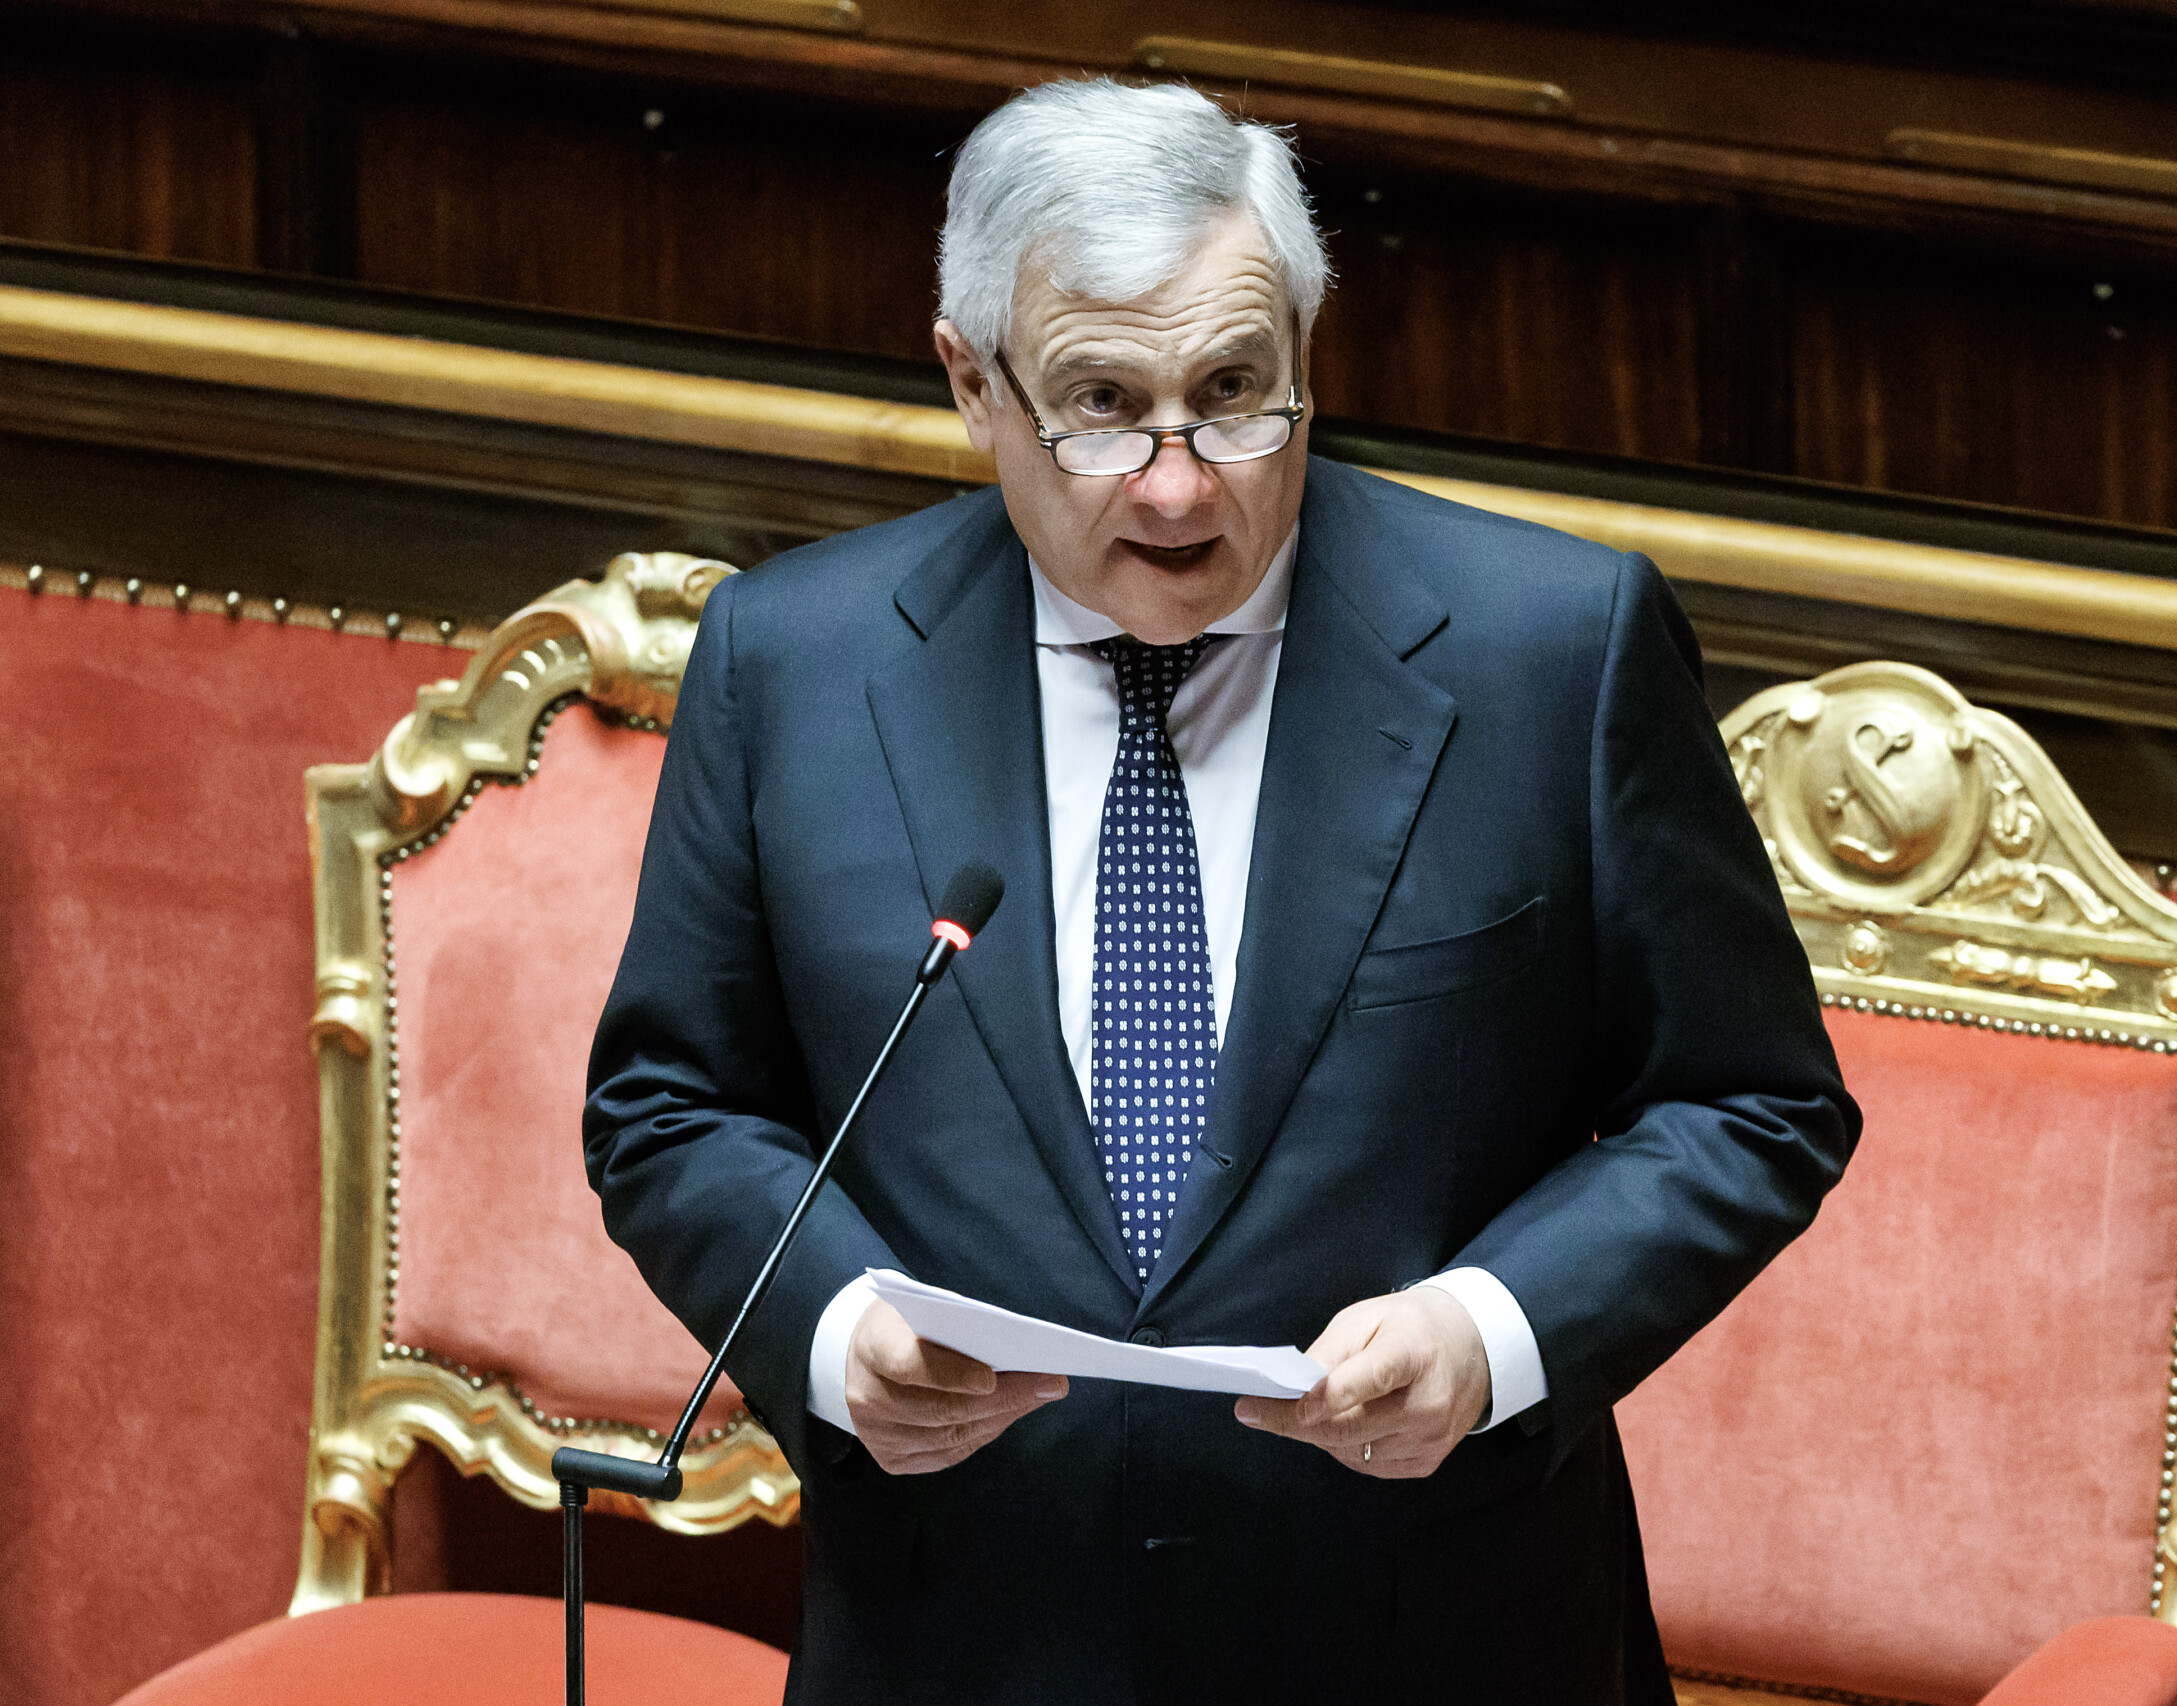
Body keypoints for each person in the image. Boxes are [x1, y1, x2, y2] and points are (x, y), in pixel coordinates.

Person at [585, 77, 1857, 1705]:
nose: (1181, 485)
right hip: (965, 1637)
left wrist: (1494, 1328)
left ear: (1309, 357)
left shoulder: (1557, 651)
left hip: (1436, 1644)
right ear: (972, 383)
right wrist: (835, 1336)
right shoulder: (794, 664)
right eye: (1103, 406)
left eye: (1236, 395)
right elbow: (669, 1102)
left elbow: (1750, 1099)